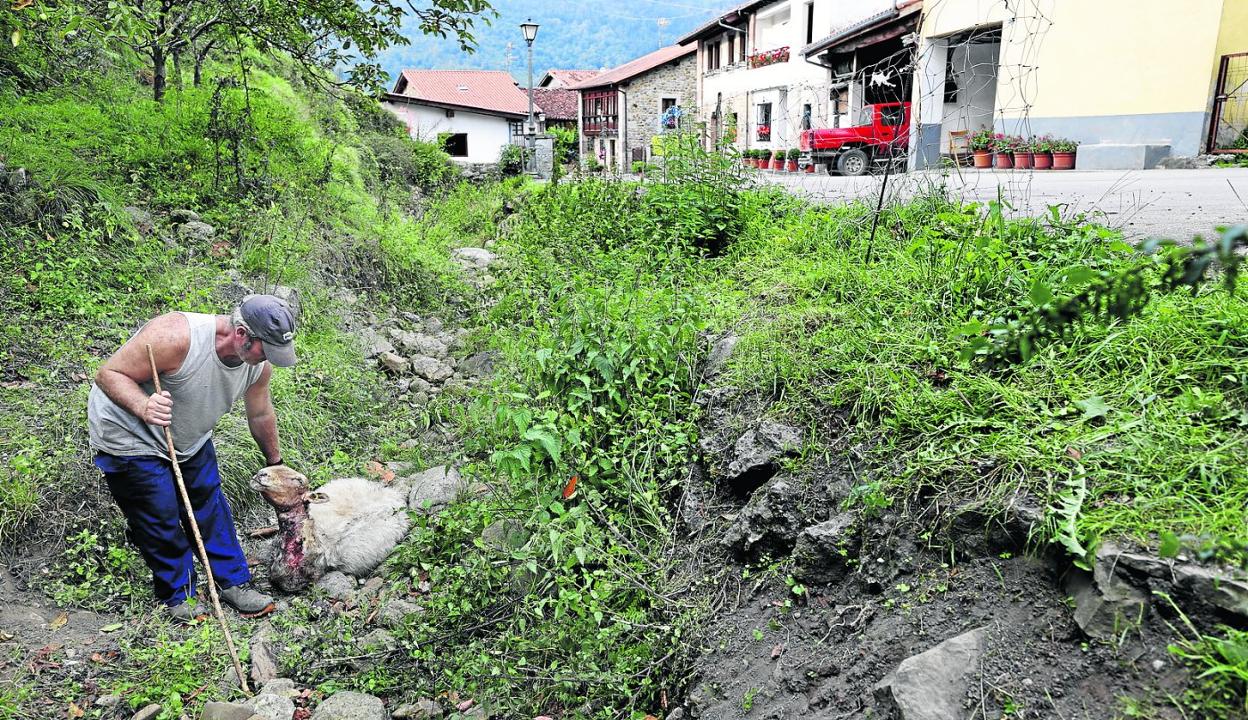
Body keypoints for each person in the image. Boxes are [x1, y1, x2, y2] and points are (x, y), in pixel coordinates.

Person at [87, 294, 298, 622]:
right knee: (161, 513)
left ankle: (233, 582)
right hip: (129, 435)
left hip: (188, 435)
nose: (268, 358)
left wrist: (275, 461)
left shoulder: (257, 366)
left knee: (210, 504)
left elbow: (259, 414)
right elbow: (109, 374)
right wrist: (144, 407)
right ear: (241, 334)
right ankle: (179, 594)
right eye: (266, 349)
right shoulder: (175, 337)